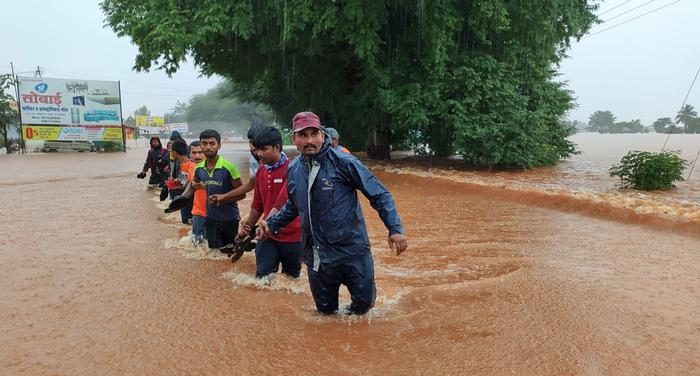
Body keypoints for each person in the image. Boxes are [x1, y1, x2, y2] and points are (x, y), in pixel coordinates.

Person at [260, 112, 408, 315]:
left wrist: (395, 229)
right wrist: (272, 224)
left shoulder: (344, 162)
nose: (310, 140)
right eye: (303, 135)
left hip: (352, 250)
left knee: (364, 306)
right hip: (317, 254)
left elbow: (380, 194)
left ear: (322, 135)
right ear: (294, 139)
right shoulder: (294, 168)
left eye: (314, 134)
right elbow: (295, 206)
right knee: (325, 314)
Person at [238, 126, 302, 278]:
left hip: (293, 237)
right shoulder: (261, 170)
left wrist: (264, 225)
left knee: (291, 280)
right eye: (257, 149)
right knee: (262, 279)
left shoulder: (294, 169)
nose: (259, 153)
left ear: (277, 147)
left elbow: (281, 202)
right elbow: (257, 205)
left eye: (264, 149)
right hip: (267, 236)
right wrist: (245, 230)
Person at [192, 129, 245, 255]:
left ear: (219, 146)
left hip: (230, 219)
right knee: (213, 254)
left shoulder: (229, 168)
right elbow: (194, 184)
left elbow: (242, 193)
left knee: (229, 254)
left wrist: (223, 198)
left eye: (212, 143)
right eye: (204, 143)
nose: (208, 147)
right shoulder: (198, 168)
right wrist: (189, 192)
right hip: (210, 218)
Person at [170, 140, 197, 224]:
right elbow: (185, 177)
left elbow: (192, 182)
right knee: (185, 222)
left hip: (191, 200)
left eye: (171, 151)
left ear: (175, 152)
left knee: (189, 222)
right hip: (183, 199)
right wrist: (177, 180)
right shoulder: (180, 164)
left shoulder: (192, 165)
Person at [188, 141, 207, 245]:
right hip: (198, 211)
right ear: (189, 154)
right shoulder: (192, 167)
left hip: (215, 212)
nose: (197, 156)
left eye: (200, 152)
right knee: (197, 243)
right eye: (194, 153)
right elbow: (192, 185)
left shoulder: (218, 167)